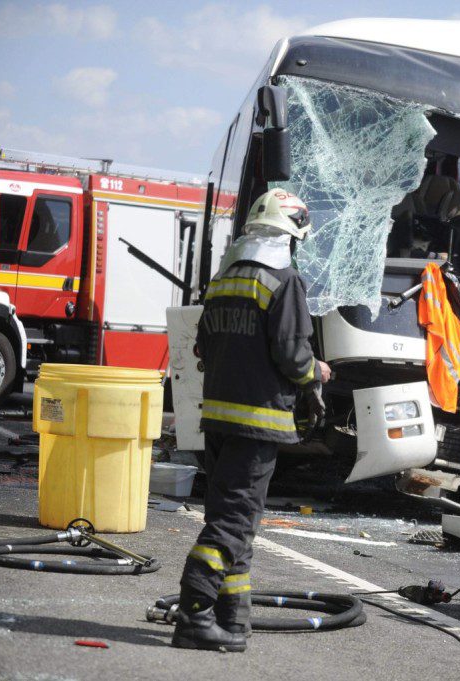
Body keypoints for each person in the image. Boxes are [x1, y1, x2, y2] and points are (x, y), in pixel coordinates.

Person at [172, 188, 331, 652]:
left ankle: (232, 622)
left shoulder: (224, 280)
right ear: (293, 236)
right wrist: (314, 375)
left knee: (236, 521)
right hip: (257, 423)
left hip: (217, 420)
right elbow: (291, 352)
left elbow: (202, 345)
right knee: (233, 526)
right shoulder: (284, 280)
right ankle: (194, 614)